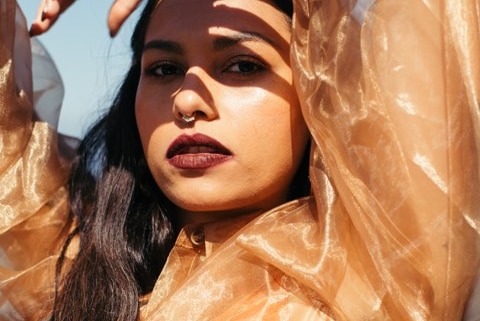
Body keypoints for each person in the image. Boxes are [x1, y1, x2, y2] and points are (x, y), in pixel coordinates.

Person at [1, 0, 479, 320]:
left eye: (242, 65)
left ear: (321, 96)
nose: (188, 101)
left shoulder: (380, 277)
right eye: (164, 69)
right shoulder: (69, 271)